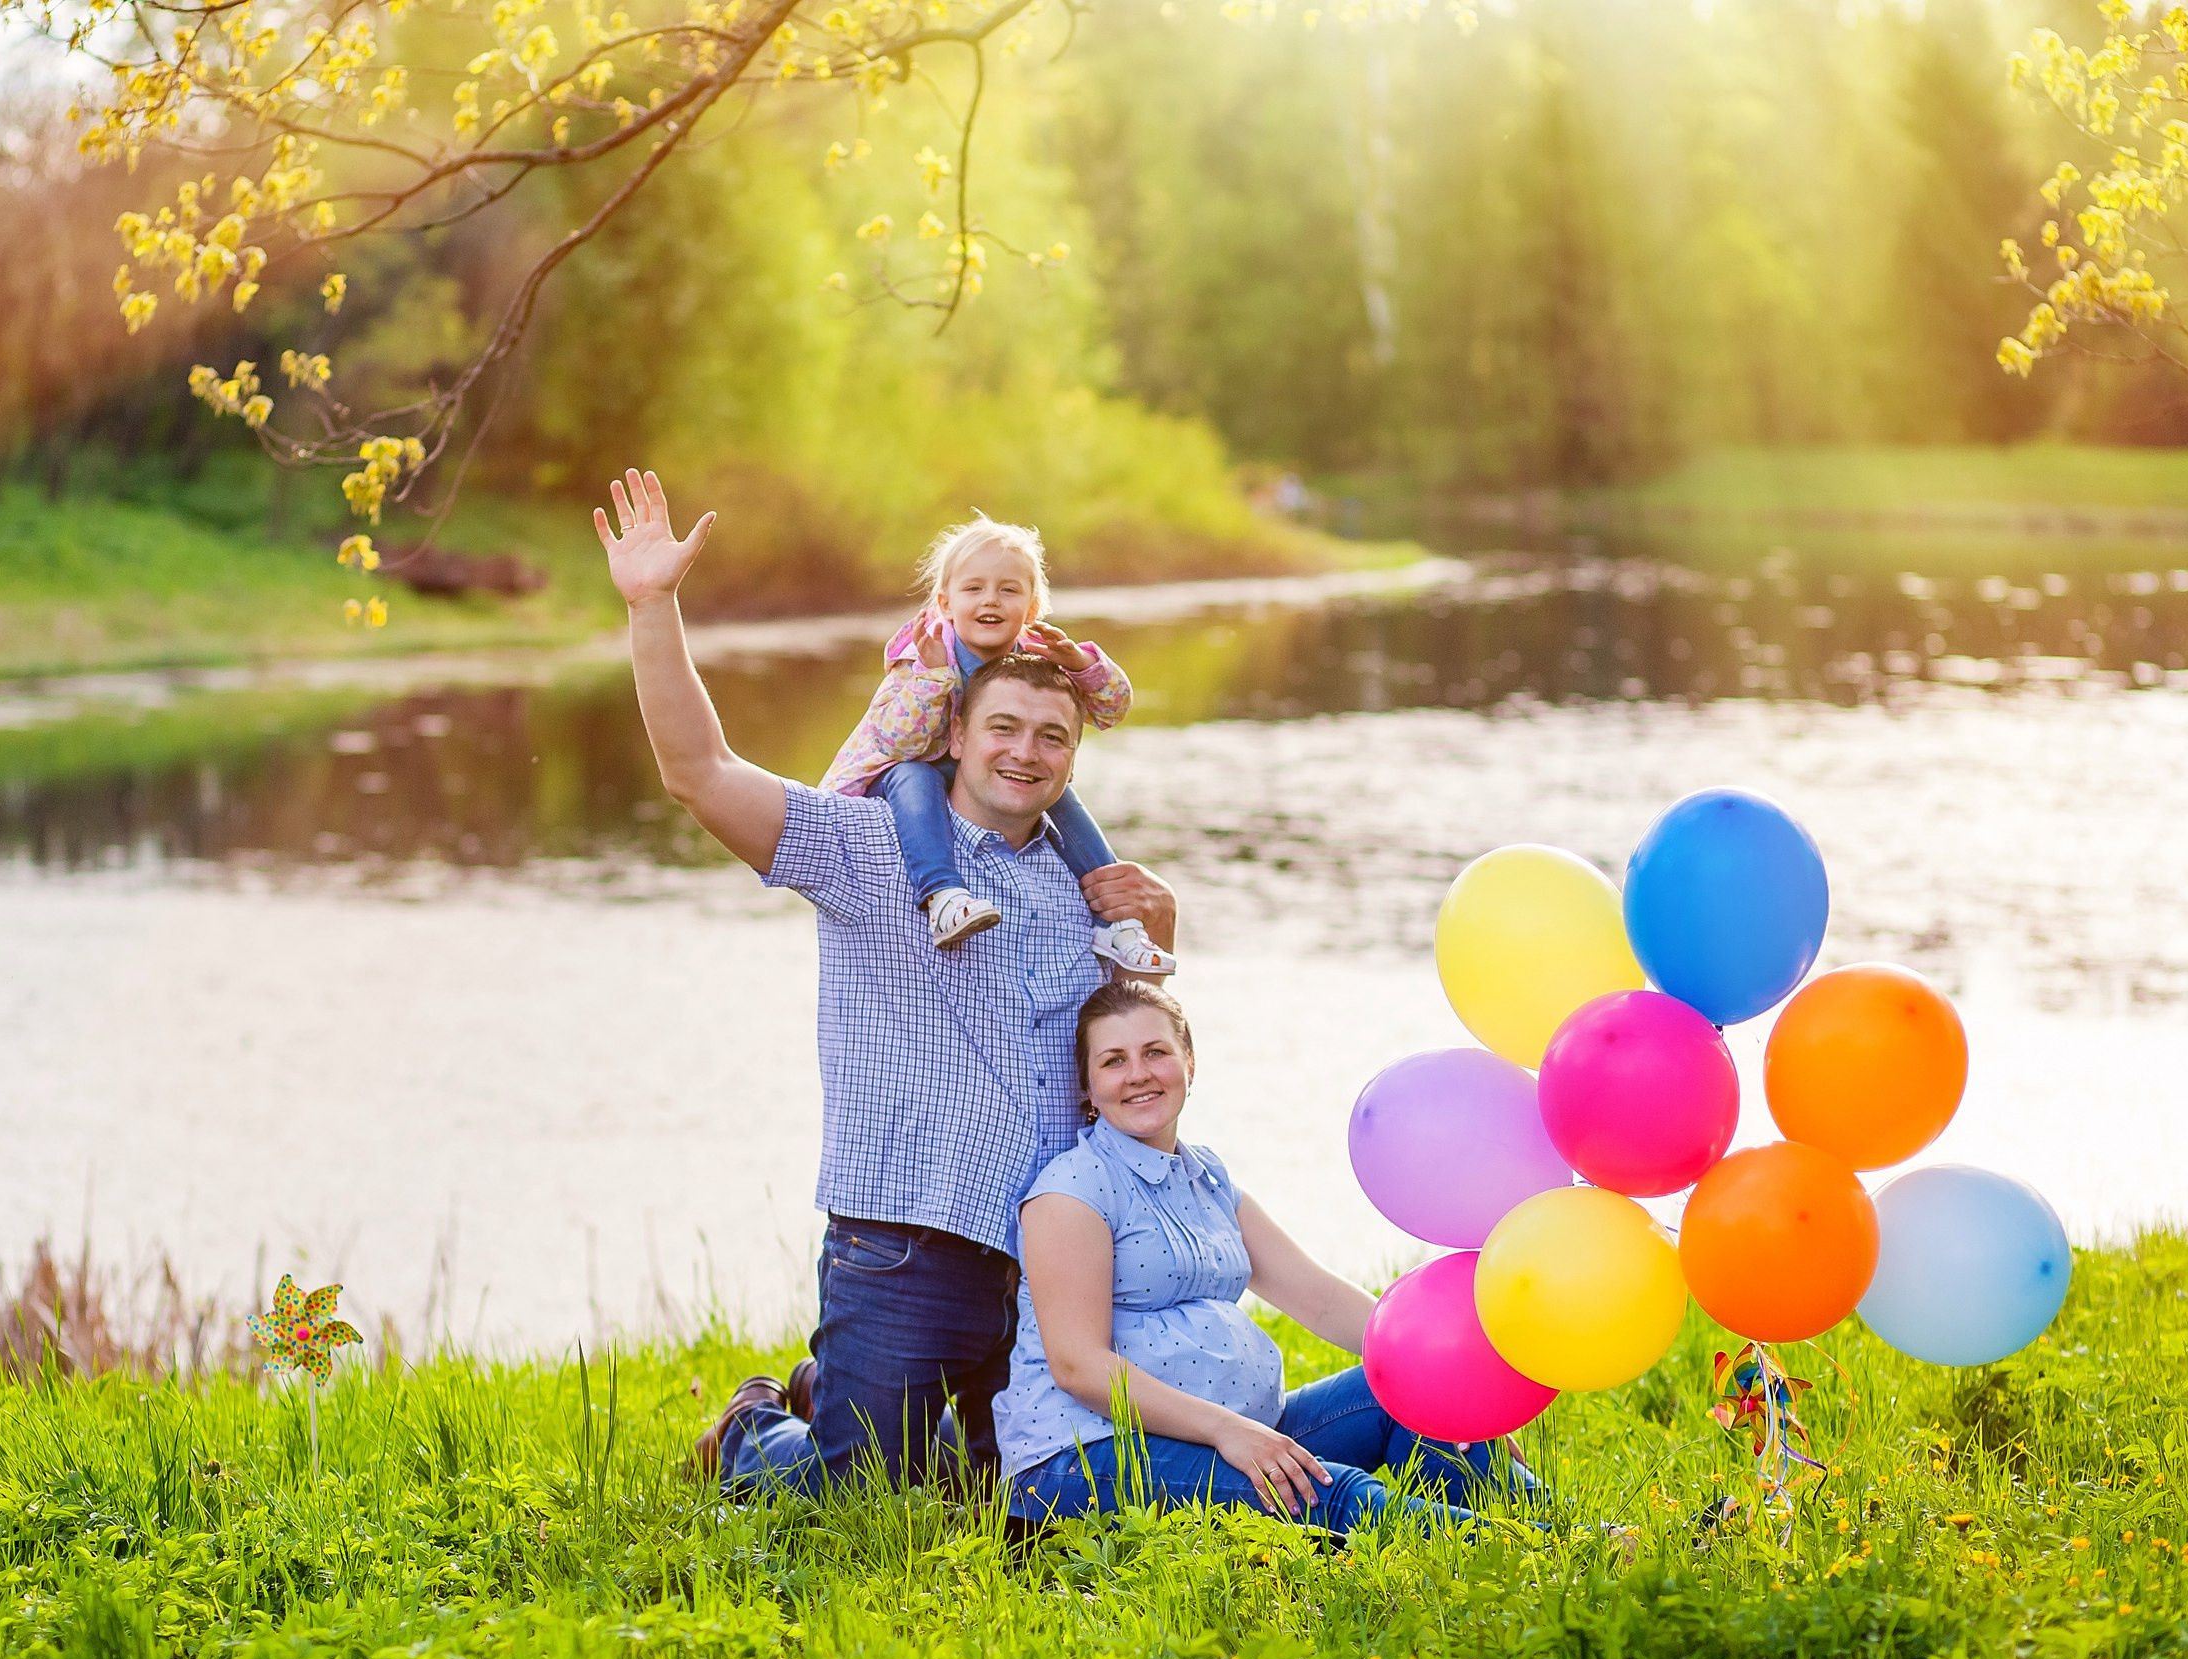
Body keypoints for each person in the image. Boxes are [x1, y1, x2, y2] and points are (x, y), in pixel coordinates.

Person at [588, 469, 1178, 1494]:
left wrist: (1160, 949)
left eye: (1052, 737)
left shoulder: (1084, 887)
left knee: (1023, 1500)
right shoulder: (868, 849)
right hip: (903, 1241)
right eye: (1003, 729)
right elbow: (700, 771)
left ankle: (848, 1391)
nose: (1025, 752)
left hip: (1045, 1263)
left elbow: (1129, 1071)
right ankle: (748, 1431)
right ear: (952, 733)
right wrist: (653, 608)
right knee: (862, 1503)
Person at [998, 981, 1535, 1534]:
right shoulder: (1071, 1193)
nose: (1138, 1073)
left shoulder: (1207, 1178)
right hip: (1086, 1458)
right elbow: (1078, 1366)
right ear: (1088, 1086)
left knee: (1415, 1397)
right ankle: (1545, 1550)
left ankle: (1563, 1531)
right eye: (1114, 1061)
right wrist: (1225, 1430)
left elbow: (1320, 1298)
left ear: (1188, 1062)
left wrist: (1444, 1379)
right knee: (1336, 1492)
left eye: (1155, 1052)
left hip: (1240, 1431)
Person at [820, 513, 1173, 975]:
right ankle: (943, 894)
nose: (991, 600)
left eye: (1008, 590)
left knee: (1061, 792)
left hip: (979, 772)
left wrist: (1082, 663)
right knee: (915, 776)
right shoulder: (923, 653)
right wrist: (933, 678)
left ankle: (1118, 925)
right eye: (974, 589)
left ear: (1031, 608)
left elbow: (1113, 709)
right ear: (946, 604)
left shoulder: (1035, 657)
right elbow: (898, 740)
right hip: (906, 769)